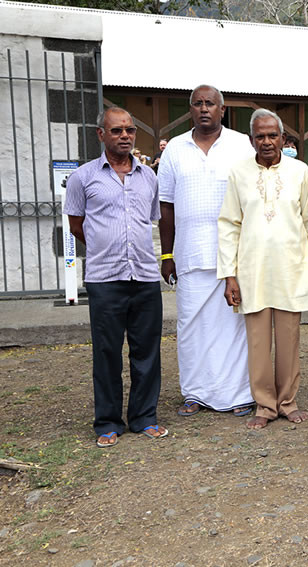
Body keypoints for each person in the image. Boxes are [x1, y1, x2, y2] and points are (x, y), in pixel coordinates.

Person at [63, 107, 168, 448]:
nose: (125, 135)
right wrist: (103, 247)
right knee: (107, 352)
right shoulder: (83, 178)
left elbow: (149, 221)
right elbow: (77, 225)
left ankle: (144, 417)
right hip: (105, 278)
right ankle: (107, 421)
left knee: (147, 351)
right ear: (101, 135)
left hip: (144, 277)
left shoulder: (148, 178)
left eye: (129, 130)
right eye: (117, 130)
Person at [158, 84, 256, 418]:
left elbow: (252, 199)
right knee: (191, 327)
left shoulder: (241, 145)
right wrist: (167, 255)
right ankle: (195, 393)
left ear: (222, 109)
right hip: (189, 255)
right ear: (190, 110)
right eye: (197, 104)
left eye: (210, 104)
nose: (204, 109)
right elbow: (166, 206)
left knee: (233, 327)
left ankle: (239, 393)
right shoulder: (174, 148)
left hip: (233, 256)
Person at [218, 109, 308, 429]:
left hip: (291, 269)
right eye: (260, 136)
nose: (266, 141)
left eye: (272, 135)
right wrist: (229, 274)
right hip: (252, 270)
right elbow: (229, 224)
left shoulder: (300, 172)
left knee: (289, 339)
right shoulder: (238, 173)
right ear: (251, 140)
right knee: (258, 342)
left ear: (282, 138)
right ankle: (264, 405)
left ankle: (287, 401)